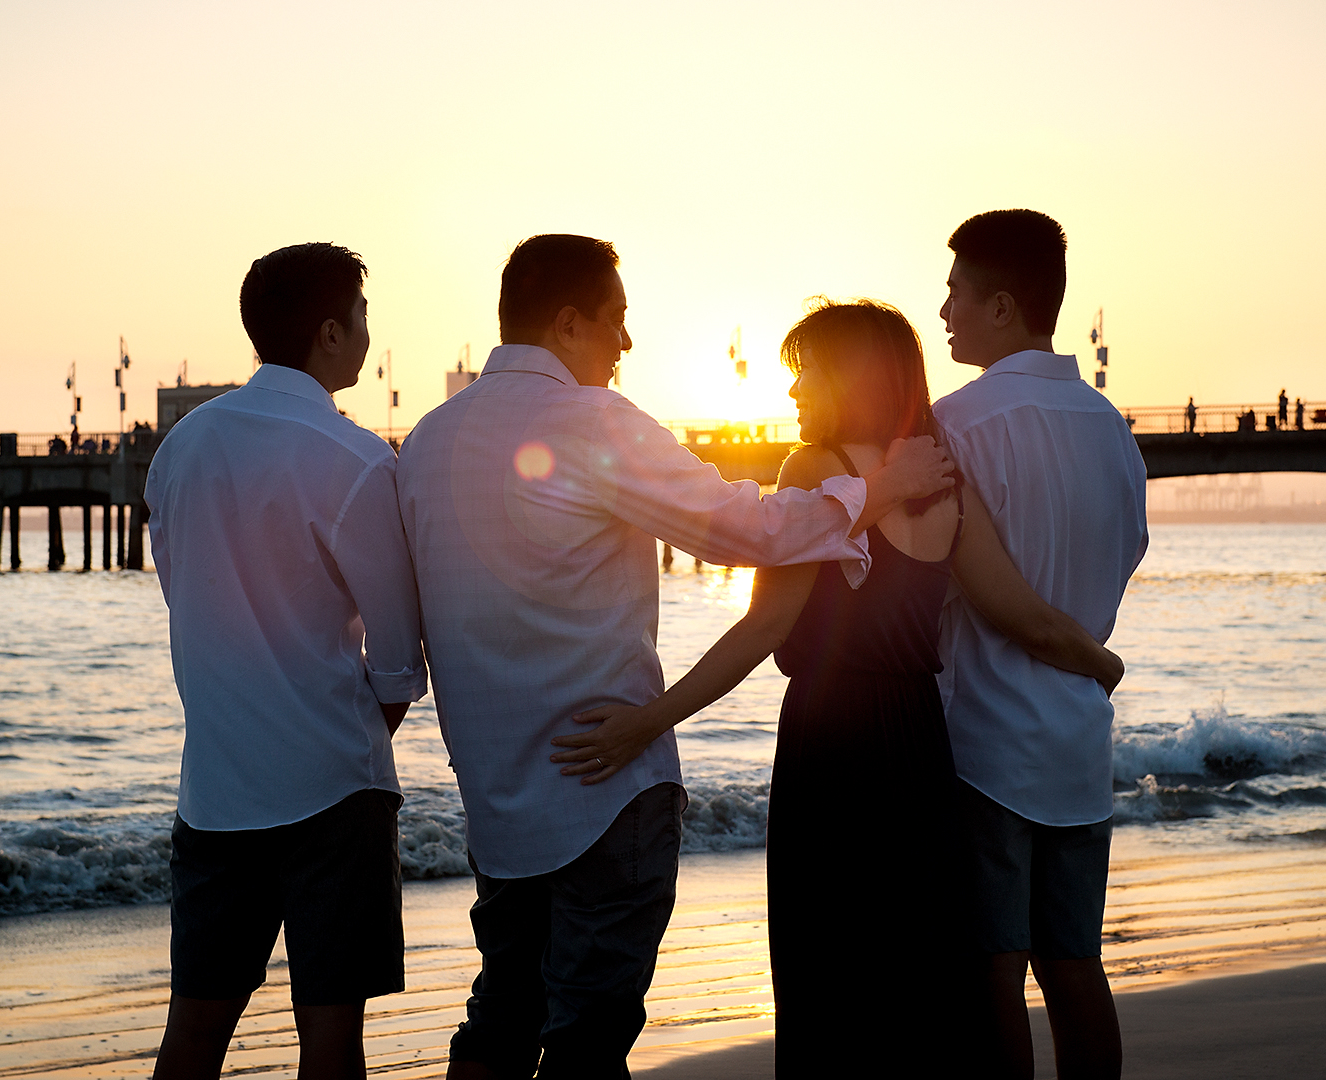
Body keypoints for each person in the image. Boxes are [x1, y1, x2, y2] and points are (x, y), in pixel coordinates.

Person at [396, 234, 955, 1080]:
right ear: (569, 322)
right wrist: (877, 489)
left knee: (501, 1018)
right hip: (607, 790)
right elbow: (747, 530)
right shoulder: (594, 420)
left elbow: (411, 624)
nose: (627, 341)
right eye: (616, 319)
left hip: (496, 802)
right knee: (588, 1038)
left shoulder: (426, 443)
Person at [554, 300, 1123, 1076]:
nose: (793, 389)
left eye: (807, 371)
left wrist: (647, 721)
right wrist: (1102, 665)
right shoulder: (942, 479)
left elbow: (763, 629)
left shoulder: (816, 470)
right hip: (921, 748)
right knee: (912, 976)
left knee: (828, 970)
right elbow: (1020, 613)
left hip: (833, 742)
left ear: (850, 376)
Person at [144, 242, 427, 1080]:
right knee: (331, 1042)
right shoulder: (357, 460)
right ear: (331, 332)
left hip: (215, 788)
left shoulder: (182, 448)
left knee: (194, 1032)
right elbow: (398, 655)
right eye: (363, 316)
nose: (368, 333)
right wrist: (342, 734)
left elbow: (185, 600)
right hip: (333, 795)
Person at [933, 210, 1148, 1080]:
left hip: (986, 739)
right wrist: (1090, 653)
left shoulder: (954, 423)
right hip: (1079, 737)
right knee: (1074, 964)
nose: (943, 309)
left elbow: (977, 591)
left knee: (993, 970)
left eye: (956, 291)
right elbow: (1129, 551)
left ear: (1002, 306)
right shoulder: (1111, 427)